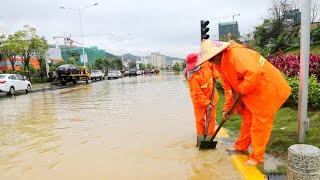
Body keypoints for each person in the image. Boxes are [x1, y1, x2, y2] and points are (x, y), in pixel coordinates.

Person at [197, 40, 291, 165]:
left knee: (260, 124)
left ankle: (257, 157)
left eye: (211, 59)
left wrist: (241, 89)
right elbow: (229, 89)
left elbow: (254, 73)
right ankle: (241, 147)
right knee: (247, 119)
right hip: (252, 92)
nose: (210, 62)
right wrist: (228, 108)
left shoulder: (236, 54)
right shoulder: (222, 64)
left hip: (268, 89)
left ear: (217, 54)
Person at [185, 53, 219, 147]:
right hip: (198, 101)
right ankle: (200, 140)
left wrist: (215, 74)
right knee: (200, 120)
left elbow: (214, 66)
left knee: (211, 118)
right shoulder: (192, 77)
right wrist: (206, 103)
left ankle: (209, 138)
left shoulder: (206, 63)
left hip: (212, 97)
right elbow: (197, 94)